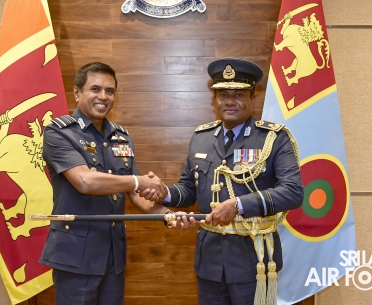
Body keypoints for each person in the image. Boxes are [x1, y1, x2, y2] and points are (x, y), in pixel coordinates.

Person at [160, 58, 304, 305]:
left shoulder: (273, 138)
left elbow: (293, 192)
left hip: (253, 259)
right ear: (214, 99)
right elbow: (189, 189)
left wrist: (238, 205)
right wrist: (163, 192)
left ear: (252, 98)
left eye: (238, 95)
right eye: (223, 95)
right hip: (209, 260)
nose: (229, 101)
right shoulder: (201, 137)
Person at [39, 62, 169, 305]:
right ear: (77, 92)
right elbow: (85, 181)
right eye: (95, 89)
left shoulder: (121, 136)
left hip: (112, 254)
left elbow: (135, 192)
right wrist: (136, 181)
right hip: (75, 255)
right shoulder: (59, 132)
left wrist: (168, 215)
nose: (103, 96)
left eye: (110, 91)